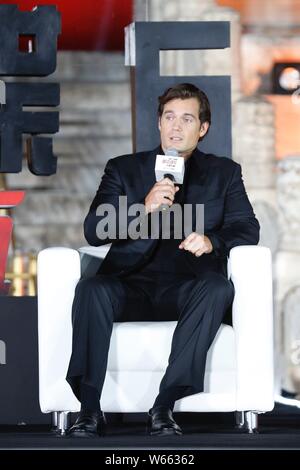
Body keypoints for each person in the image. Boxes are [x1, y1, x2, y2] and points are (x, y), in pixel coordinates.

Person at [66, 83, 260, 438]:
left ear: (202, 128)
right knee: (92, 288)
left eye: (187, 119)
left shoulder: (224, 173)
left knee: (217, 287)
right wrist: (143, 207)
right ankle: (89, 408)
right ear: (158, 123)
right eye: (169, 117)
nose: (176, 126)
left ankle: (165, 405)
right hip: (130, 285)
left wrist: (211, 240)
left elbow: (247, 228)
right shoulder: (124, 169)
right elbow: (94, 230)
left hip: (187, 287)